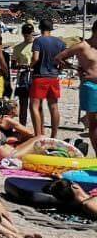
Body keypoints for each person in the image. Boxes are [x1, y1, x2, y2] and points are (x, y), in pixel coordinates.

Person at [56, 20, 97, 153]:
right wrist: (76, 68)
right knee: (94, 124)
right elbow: (58, 58)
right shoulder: (83, 46)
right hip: (90, 86)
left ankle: (85, 118)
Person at [28, 19, 66, 138]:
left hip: (40, 76)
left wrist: (30, 66)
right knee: (53, 106)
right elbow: (63, 61)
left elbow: (35, 58)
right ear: (52, 28)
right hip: (53, 77)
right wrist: (59, 70)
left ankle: (38, 134)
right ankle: (54, 136)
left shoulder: (38, 41)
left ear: (40, 28)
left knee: (34, 106)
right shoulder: (60, 42)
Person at [10, 23, 36, 125]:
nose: (27, 35)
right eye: (25, 33)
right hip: (23, 75)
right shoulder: (18, 48)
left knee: (35, 104)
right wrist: (22, 66)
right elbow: (13, 65)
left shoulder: (37, 45)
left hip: (35, 75)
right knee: (23, 103)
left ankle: (36, 127)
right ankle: (22, 125)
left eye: (29, 33)